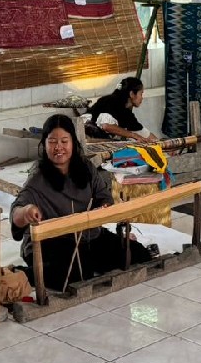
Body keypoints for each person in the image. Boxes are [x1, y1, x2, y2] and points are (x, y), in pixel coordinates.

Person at [10, 114, 153, 292]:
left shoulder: (84, 167)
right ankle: (22, 274)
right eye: (53, 142)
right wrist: (27, 212)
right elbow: (17, 209)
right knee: (76, 274)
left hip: (88, 236)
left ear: (73, 142)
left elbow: (103, 196)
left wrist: (102, 209)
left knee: (136, 255)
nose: (59, 147)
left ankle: (91, 260)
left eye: (64, 141)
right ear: (44, 144)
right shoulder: (38, 176)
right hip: (51, 242)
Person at [87, 76, 157, 143]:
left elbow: (145, 134)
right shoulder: (111, 101)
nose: (142, 98)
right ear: (132, 94)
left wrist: (159, 142)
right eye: (141, 94)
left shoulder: (127, 114)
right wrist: (133, 135)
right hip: (85, 135)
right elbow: (106, 126)